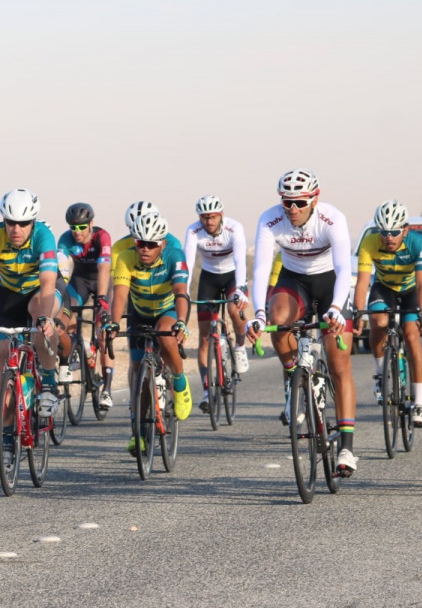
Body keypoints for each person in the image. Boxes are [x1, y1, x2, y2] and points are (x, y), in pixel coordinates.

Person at [247, 168, 359, 476]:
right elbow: (261, 271)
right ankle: (293, 382)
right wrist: (257, 314)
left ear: (314, 199)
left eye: (300, 202)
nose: (293, 209)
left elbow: (342, 268)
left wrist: (336, 308)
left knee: (339, 365)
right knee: (277, 320)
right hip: (294, 280)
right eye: (287, 203)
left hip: (331, 283)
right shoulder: (270, 219)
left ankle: (347, 447)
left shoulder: (332, 218)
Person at [0, 189, 64, 430]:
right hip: (8, 298)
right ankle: (7, 434)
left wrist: (44, 317)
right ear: (4, 221)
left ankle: (50, 381)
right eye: (10, 223)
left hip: (39, 292)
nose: (16, 229)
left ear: (32, 222)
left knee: (39, 318)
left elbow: (49, 281)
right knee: (1, 358)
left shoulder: (44, 236)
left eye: (23, 223)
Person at [105, 208, 193, 452]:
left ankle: (179, 380)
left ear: (162, 244)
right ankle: (140, 432)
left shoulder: (174, 255)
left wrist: (182, 321)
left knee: (166, 336)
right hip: (140, 312)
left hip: (168, 310)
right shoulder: (125, 258)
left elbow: (181, 292)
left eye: (151, 244)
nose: (144, 249)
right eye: (140, 243)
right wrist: (113, 322)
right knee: (139, 374)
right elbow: (120, 295)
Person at [351, 200, 422, 425]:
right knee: (377, 322)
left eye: (394, 232)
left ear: (405, 230)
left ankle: (420, 403)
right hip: (384, 288)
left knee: (411, 335)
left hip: (410, 289)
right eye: (383, 232)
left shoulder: (416, 243)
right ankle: (380, 373)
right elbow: (363, 283)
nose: (389, 237)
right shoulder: (369, 243)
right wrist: (358, 313)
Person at [182, 195, 251, 413]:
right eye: (204, 217)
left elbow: (241, 260)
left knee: (233, 309)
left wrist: (240, 288)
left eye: (212, 217)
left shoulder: (234, 228)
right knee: (204, 337)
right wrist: (183, 290)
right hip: (209, 279)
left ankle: (239, 346)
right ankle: (205, 391)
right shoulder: (193, 231)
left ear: (220, 215)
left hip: (233, 277)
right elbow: (189, 263)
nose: (208, 221)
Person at [56, 202, 116, 408]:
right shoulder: (65, 239)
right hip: (79, 280)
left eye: (82, 227)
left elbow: (104, 267)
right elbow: (62, 268)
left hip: (102, 280)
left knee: (103, 332)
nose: (77, 232)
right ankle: (74, 346)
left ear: (91, 224)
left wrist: (101, 299)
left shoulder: (102, 237)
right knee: (66, 309)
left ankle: (106, 390)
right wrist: (59, 295)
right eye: (73, 227)